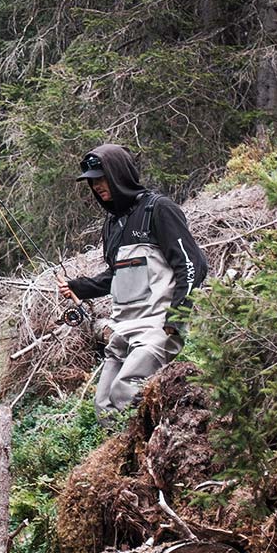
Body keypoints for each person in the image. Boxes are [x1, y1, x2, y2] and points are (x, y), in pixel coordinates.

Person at [56, 144, 207, 422]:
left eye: (102, 178)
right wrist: (79, 287)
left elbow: (192, 265)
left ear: (119, 174)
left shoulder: (158, 209)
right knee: (104, 407)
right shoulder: (112, 224)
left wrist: (176, 317)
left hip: (157, 327)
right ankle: (129, 463)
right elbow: (117, 275)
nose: (97, 186)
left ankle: (167, 447)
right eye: (92, 181)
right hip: (123, 328)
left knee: (126, 392)